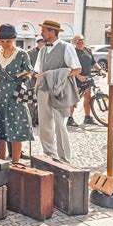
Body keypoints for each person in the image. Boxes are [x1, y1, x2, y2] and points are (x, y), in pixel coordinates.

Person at [0, 24, 34, 163]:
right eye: (2, 41)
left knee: (15, 130)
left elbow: (29, 72)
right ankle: (0, 164)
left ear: (14, 39)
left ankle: (16, 163)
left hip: (16, 93)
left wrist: (25, 75)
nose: (5, 44)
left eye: (8, 41)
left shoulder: (22, 54)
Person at [34, 20, 81, 163]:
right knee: (44, 123)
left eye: (44, 31)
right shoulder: (42, 50)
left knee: (60, 124)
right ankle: (49, 154)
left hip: (61, 90)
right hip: (44, 89)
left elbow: (76, 69)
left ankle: (64, 158)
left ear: (52, 32)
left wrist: (57, 75)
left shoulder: (66, 47)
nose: (42, 33)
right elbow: (38, 72)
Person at [68, 34, 106, 126]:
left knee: (88, 98)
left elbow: (93, 63)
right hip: (76, 79)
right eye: (78, 40)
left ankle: (87, 117)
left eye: (82, 40)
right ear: (74, 42)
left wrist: (100, 69)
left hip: (87, 78)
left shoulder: (87, 50)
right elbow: (69, 67)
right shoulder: (72, 52)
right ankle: (69, 118)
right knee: (74, 99)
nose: (81, 42)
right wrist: (79, 76)